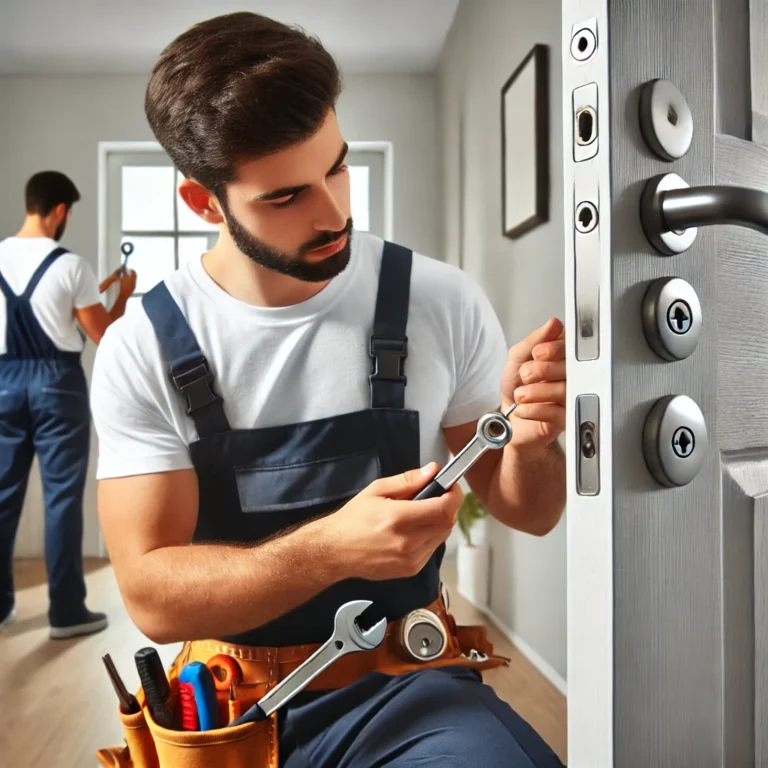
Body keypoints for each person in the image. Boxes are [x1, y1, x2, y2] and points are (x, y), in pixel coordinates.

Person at [92, 12, 566, 768]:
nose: (334, 212)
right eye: (284, 198)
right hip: (225, 711)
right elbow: (151, 594)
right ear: (204, 203)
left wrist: (536, 442)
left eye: (337, 168)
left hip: (408, 686)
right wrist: (327, 550)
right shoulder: (141, 346)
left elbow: (530, 511)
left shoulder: (438, 300)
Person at [0, 170, 136, 639]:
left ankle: (0, 606)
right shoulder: (70, 265)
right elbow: (103, 334)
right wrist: (123, 296)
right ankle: (66, 612)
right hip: (56, 384)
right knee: (60, 498)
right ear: (60, 211)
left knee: (1, 495)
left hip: (4, 380)